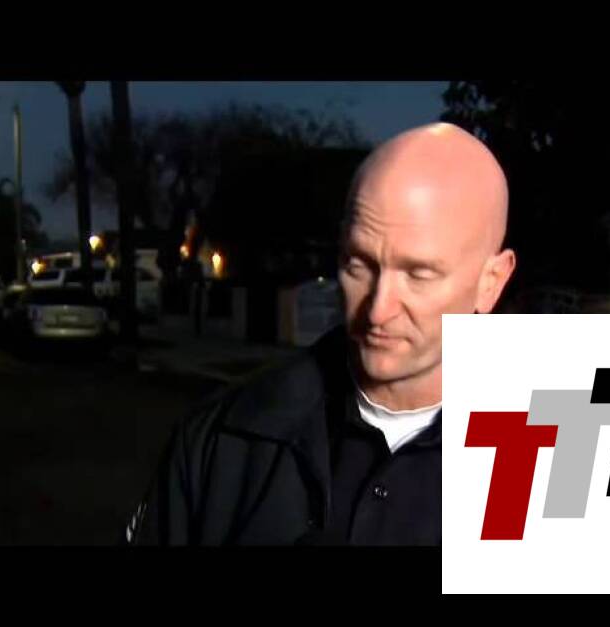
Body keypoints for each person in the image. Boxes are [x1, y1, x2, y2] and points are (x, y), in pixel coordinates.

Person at [125, 122, 516, 546]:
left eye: (418, 275)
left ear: (491, 282)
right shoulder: (222, 435)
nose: (378, 309)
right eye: (358, 265)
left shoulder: (554, 448)